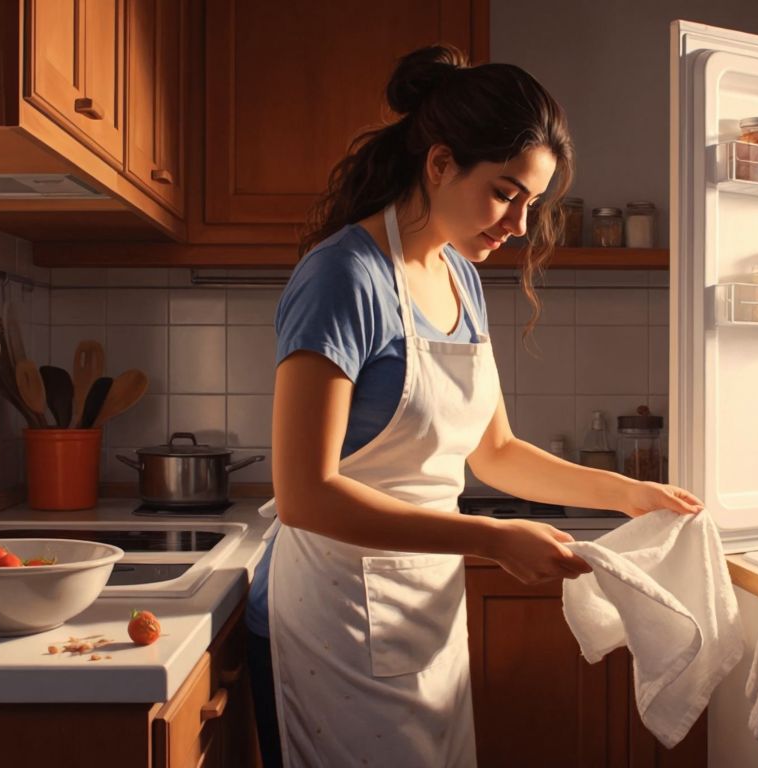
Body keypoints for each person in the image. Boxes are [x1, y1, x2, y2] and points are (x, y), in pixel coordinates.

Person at [245, 44, 703, 767]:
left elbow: (495, 453)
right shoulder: (344, 277)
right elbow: (304, 495)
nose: (519, 225)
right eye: (506, 193)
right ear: (438, 164)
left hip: (421, 608)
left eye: (532, 203)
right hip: (330, 617)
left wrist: (632, 495)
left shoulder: (461, 274)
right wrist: (490, 538)